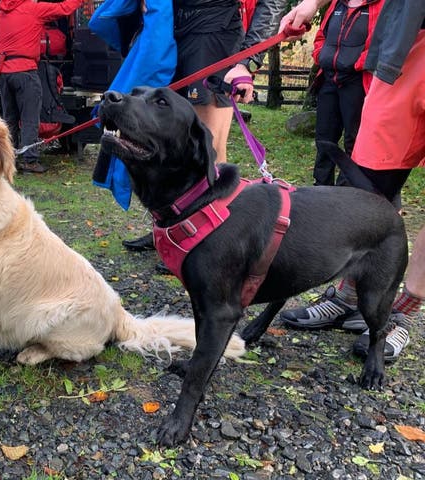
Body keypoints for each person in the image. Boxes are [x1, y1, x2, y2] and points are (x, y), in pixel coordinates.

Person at [279, 0, 425, 362]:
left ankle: (403, 310)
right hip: (406, 46)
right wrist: (312, 2)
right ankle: (349, 294)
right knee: (366, 182)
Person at [123, 0, 286, 254]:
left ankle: (208, 238)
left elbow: (272, 3)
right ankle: (169, 228)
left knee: (209, 147)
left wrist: (249, 58)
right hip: (171, 29)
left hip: (216, 35)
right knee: (166, 140)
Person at [0, 0, 84, 174]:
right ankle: (30, 161)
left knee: (9, 118)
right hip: (26, 71)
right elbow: (63, 8)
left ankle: (9, 159)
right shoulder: (33, 9)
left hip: (5, 73)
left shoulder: (0, 15)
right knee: (30, 118)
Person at [311, 0, 384, 186]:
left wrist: (357, 63)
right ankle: (320, 189)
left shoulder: (381, 5)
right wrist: (320, 55)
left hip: (357, 82)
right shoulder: (337, 3)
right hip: (328, 80)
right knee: (324, 139)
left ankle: (346, 190)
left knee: (354, 140)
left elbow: (383, 42)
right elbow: (321, 35)